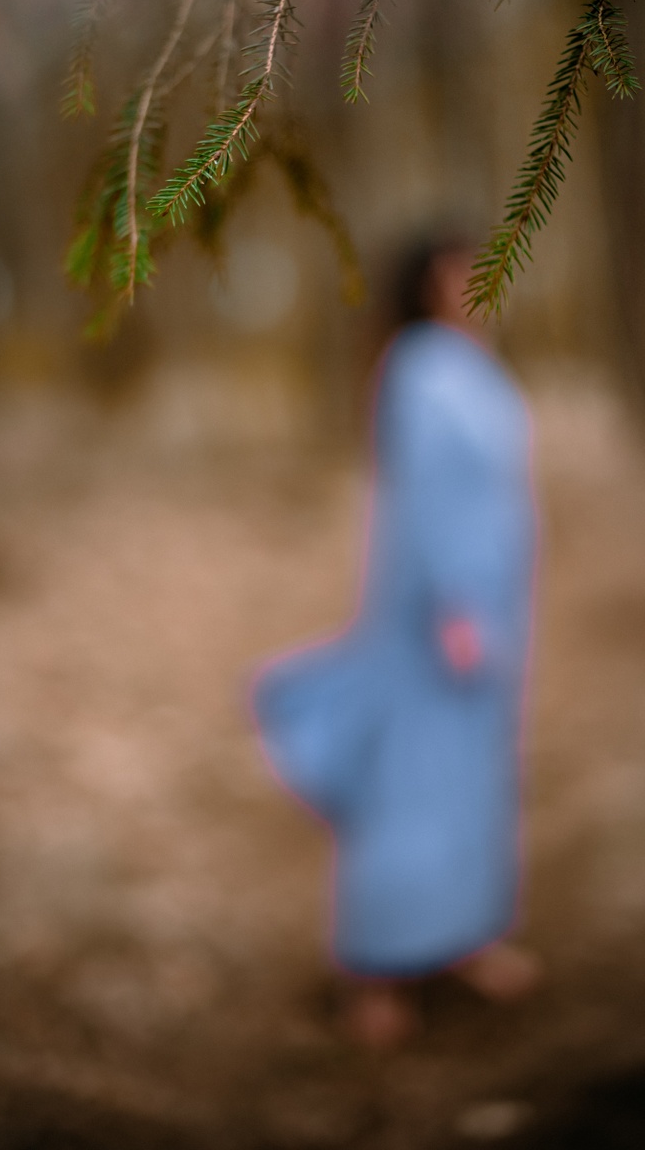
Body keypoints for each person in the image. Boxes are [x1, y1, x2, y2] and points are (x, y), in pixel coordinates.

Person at [252, 234, 540, 1046]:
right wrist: (455, 605)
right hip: (434, 620)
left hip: (495, 612)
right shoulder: (416, 367)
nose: (476, 283)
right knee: (405, 785)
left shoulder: (475, 365)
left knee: (475, 783)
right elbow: (426, 498)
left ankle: (464, 936)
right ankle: (373, 969)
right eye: (458, 271)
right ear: (425, 285)